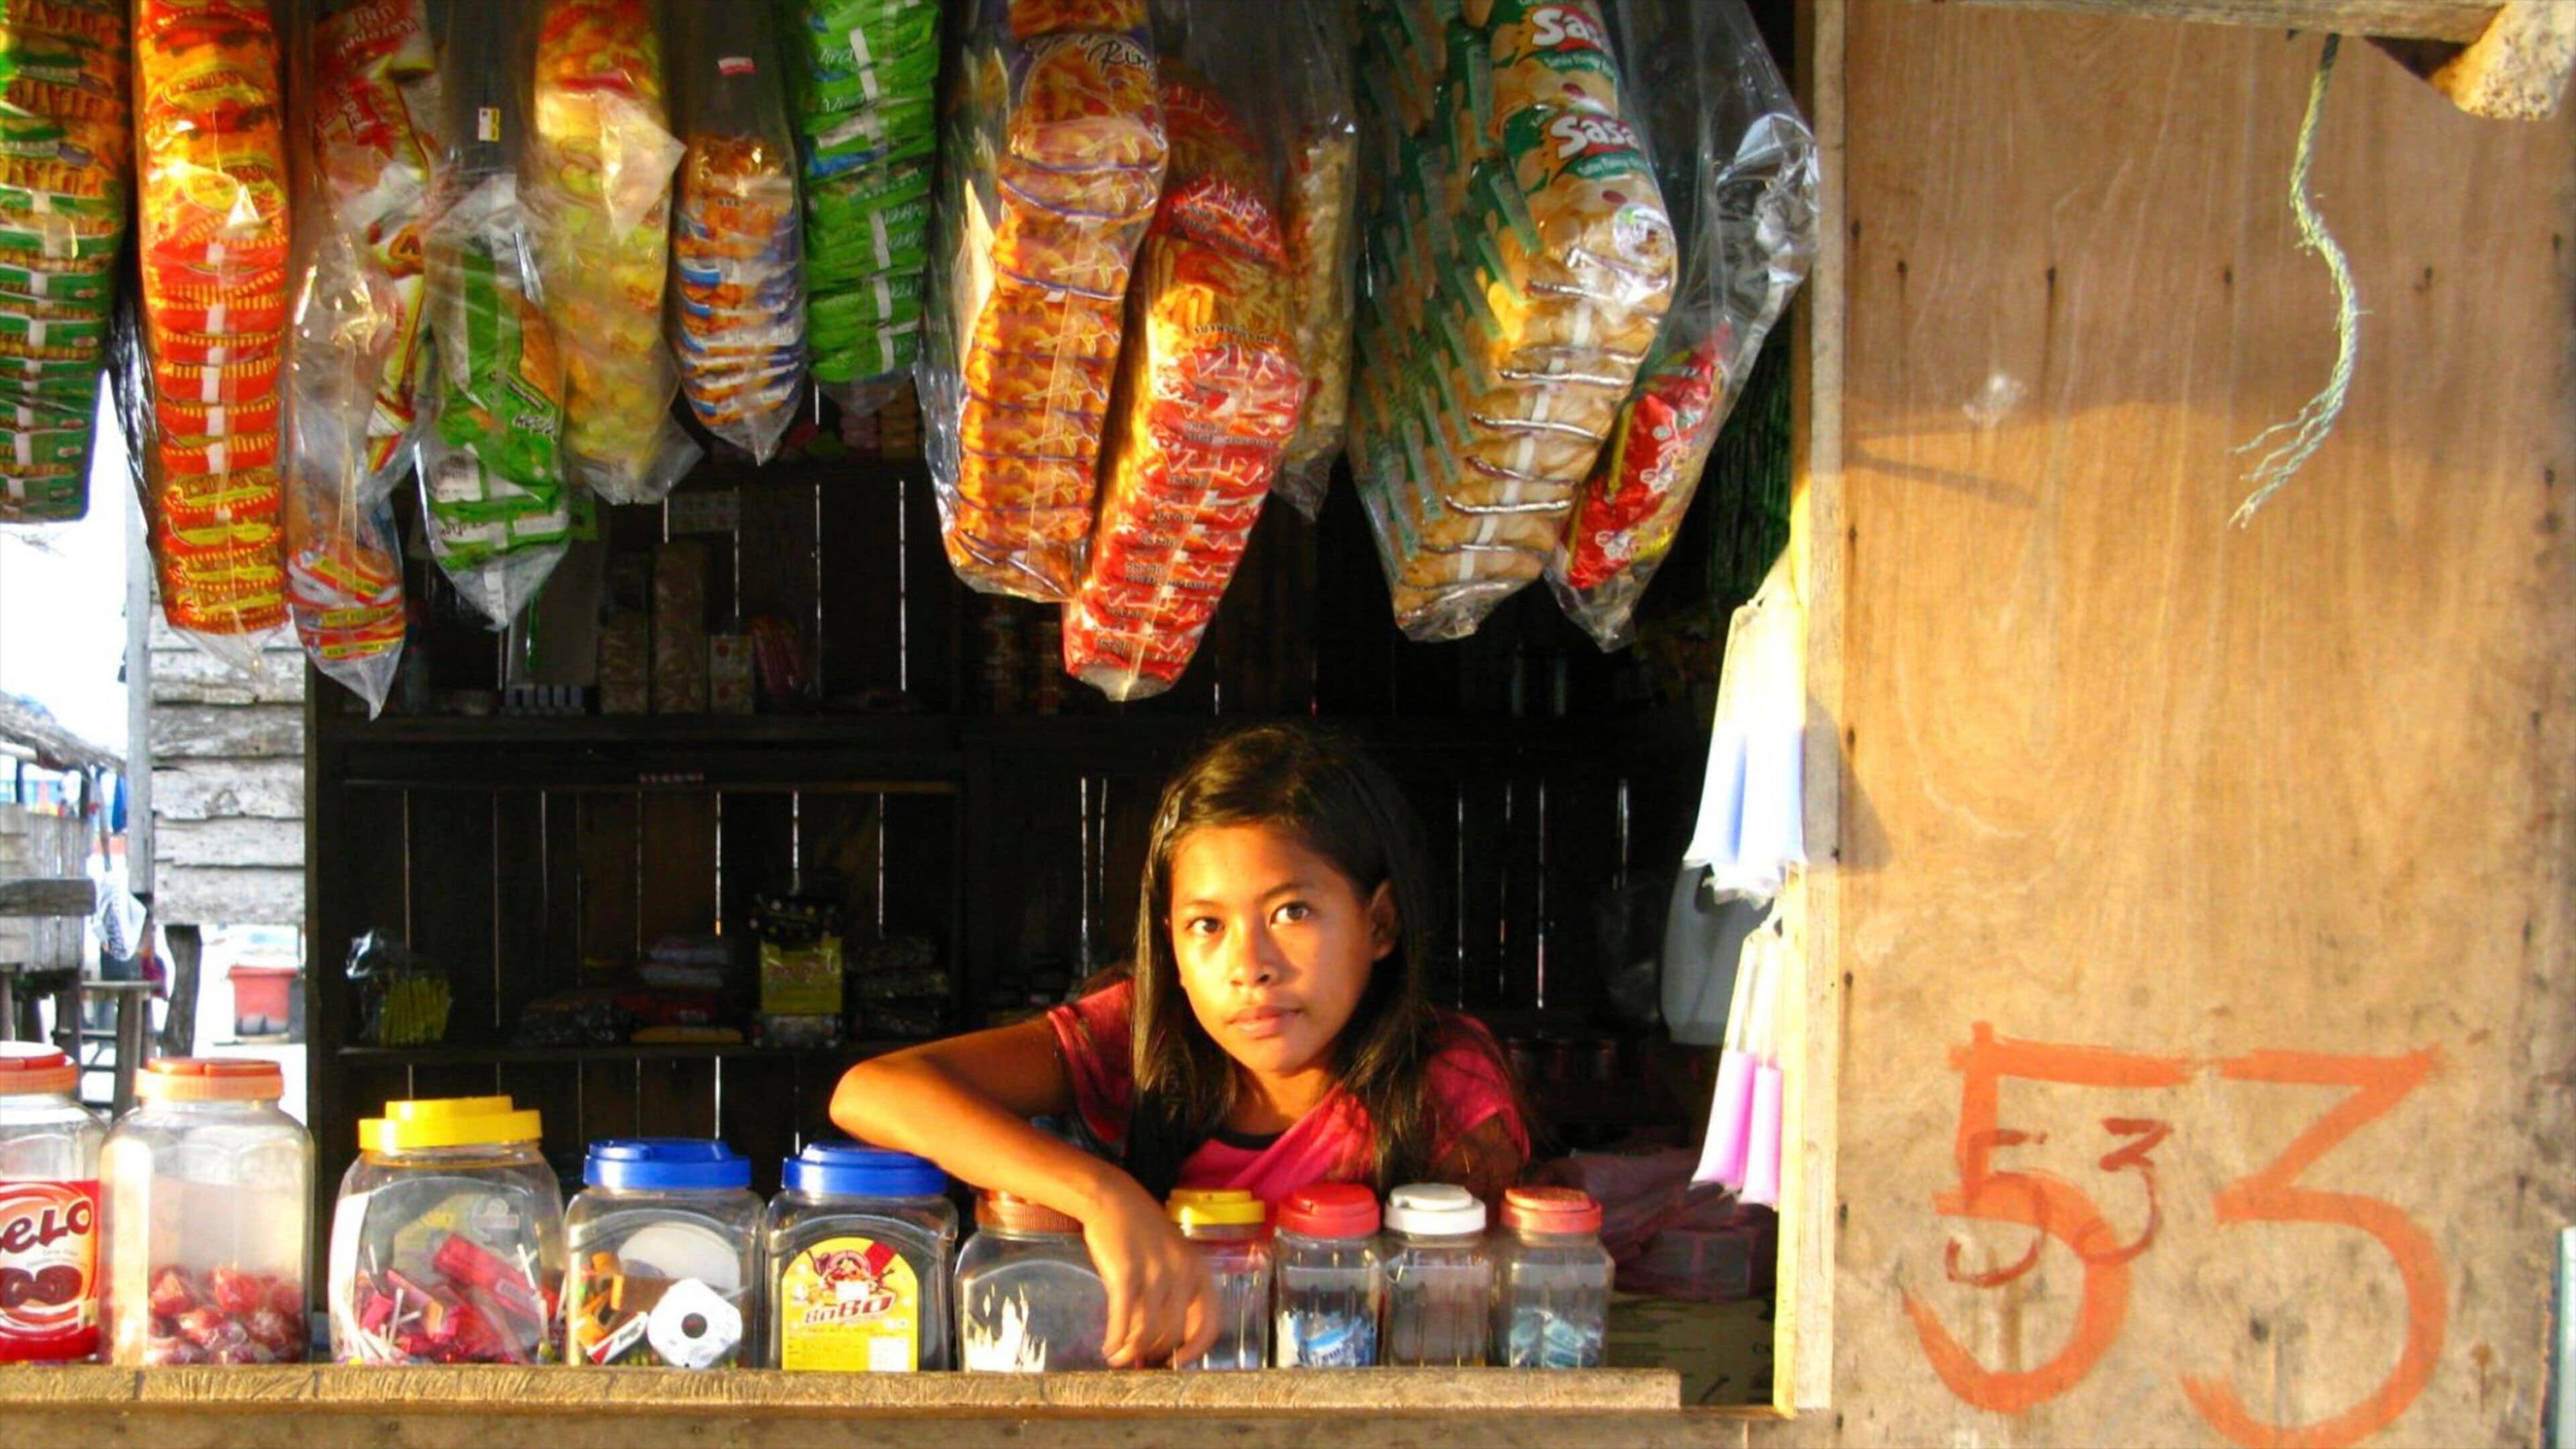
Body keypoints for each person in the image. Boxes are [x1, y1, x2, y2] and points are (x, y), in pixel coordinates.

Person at [830, 722, 1529, 1368]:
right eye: (1206, 925)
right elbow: (872, 1091)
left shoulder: (1442, 1081)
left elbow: (1466, 1344)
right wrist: (1106, 1198)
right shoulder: (1140, 1036)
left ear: (1379, 923)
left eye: (1293, 912)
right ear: (1170, 939)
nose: (1249, 964)